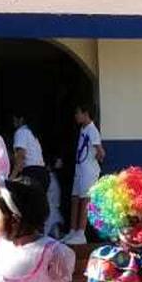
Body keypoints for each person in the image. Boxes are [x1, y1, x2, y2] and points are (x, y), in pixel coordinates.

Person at [63, 104, 105, 246]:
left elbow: (101, 152)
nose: (76, 116)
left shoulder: (92, 130)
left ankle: (81, 233)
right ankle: (73, 230)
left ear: (86, 113)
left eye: (78, 113)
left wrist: (95, 159)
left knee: (85, 200)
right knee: (75, 198)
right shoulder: (83, 129)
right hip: (79, 169)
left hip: (88, 171)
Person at [10, 112, 50, 190]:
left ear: (21, 119)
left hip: (32, 174)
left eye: (14, 120)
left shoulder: (21, 132)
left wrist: (11, 178)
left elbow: (20, 157)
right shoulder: (31, 133)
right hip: (43, 175)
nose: (13, 122)